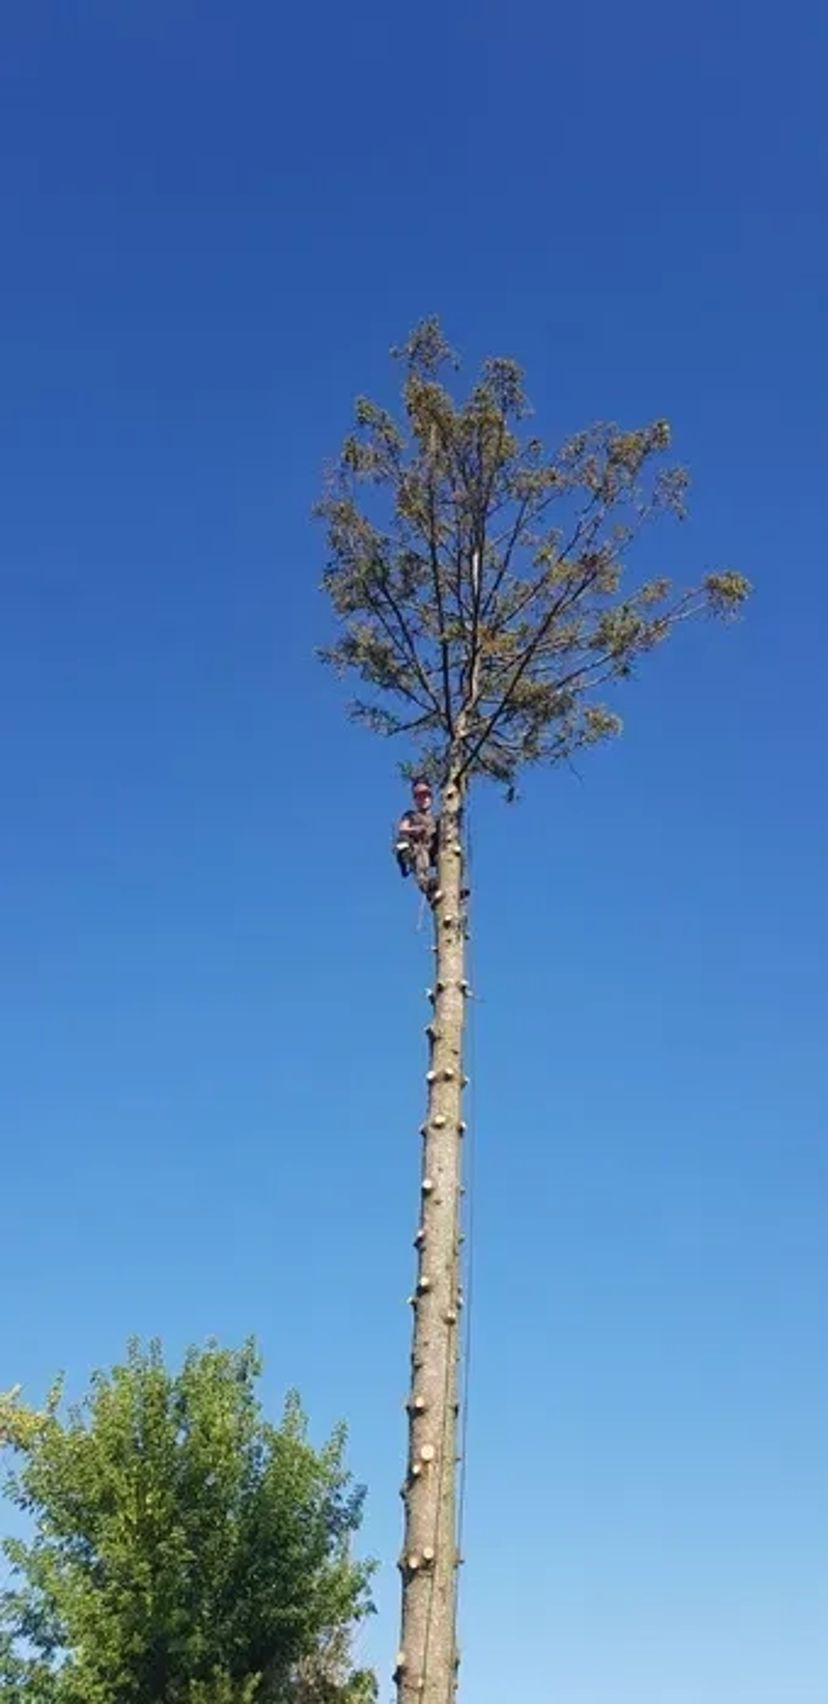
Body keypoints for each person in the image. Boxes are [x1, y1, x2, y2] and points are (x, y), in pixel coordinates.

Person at [394, 777, 439, 901]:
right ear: (415, 799)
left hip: (434, 848)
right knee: (419, 855)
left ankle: (452, 885)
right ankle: (427, 887)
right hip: (418, 847)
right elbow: (402, 829)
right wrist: (415, 830)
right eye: (419, 796)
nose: (423, 799)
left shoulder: (437, 818)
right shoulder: (411, 815)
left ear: (430, 797)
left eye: (425, 795)